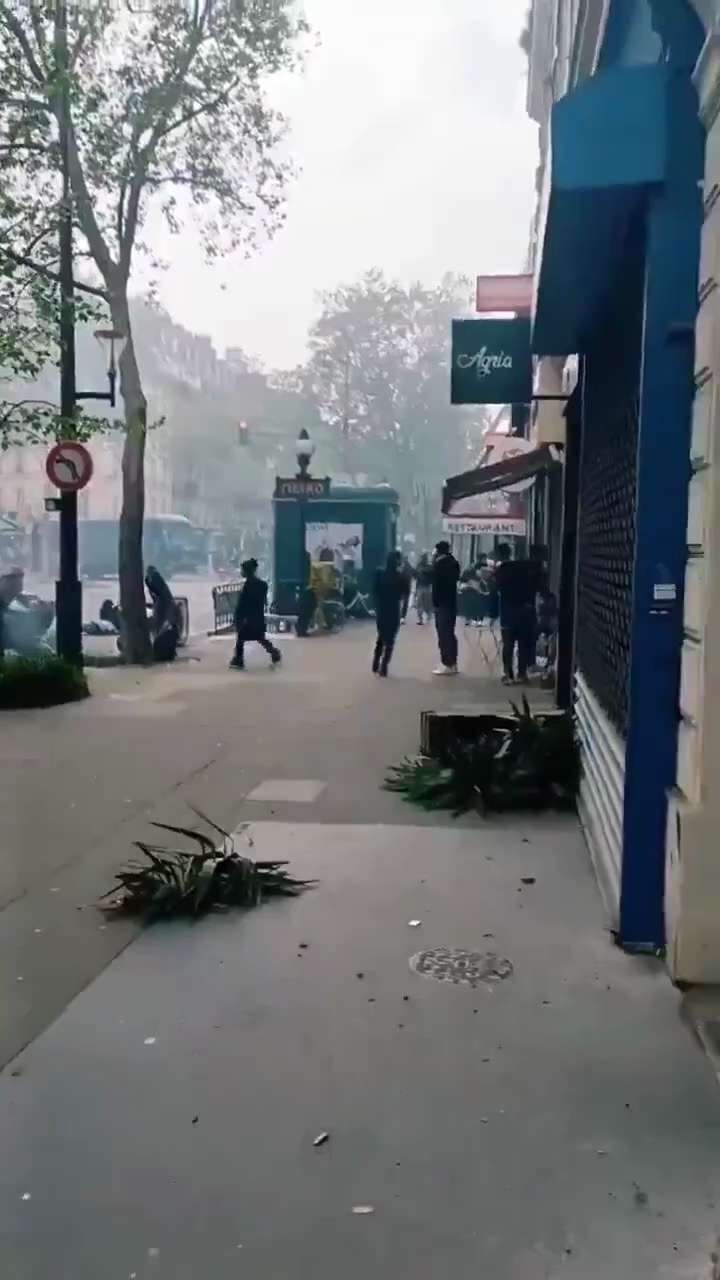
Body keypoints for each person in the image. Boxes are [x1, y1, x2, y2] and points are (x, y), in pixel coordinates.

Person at [493, 544, 546, 686]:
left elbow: (497, 588)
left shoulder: (502, 569)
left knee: (508, 644)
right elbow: (542, 588)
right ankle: (522, 674)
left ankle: (508, 674)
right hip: (527, 610)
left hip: (508, 611)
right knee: (524, 644)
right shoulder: (534, 570)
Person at [231, 558, 282, 670]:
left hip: (248, 618)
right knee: (260, 637)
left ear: (247, 571)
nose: (241, 572)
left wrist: (237, 618)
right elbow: (263, 601)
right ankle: (275, 653)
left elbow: (242, 604)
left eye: (242, 570)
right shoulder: (262, 585)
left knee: (241, 638)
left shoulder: (248, 586)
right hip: (258, 617)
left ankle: (238, 660)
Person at [372, 550, 410, 676]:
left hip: (382, 609)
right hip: (394, 610)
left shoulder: (379, 573)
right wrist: (404, 614)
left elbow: (375, 591)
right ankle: (384, 666)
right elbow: (406, 594)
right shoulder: (402, 576)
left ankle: (376, 661)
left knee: (381, 636)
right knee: (390, 639)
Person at [431, 540, 460, 675]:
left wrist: (435, 602)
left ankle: (447, 663)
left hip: (442, 604)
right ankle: (453, 663)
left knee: (443, 634)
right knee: (450, 633)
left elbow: (436, 583)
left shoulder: (439, 565)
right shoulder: (454, 563)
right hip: (451, 603)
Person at [145, 565, 180, 661]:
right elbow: (156, 594)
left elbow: (161, 594)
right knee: (160, 626)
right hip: (161, 603)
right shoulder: (148, 580)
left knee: (161, 626)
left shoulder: (155, 579)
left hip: (163, 604)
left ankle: (163, 646)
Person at [414, 552, 433, 624]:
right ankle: (420, 618)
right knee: (420, 603)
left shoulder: (428, 566)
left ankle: (428, 615)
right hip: (421, 586)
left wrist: (423, 572)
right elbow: (415, 575)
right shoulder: (419, 566)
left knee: (426, 603)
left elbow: (431, 574)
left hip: (426, 586)